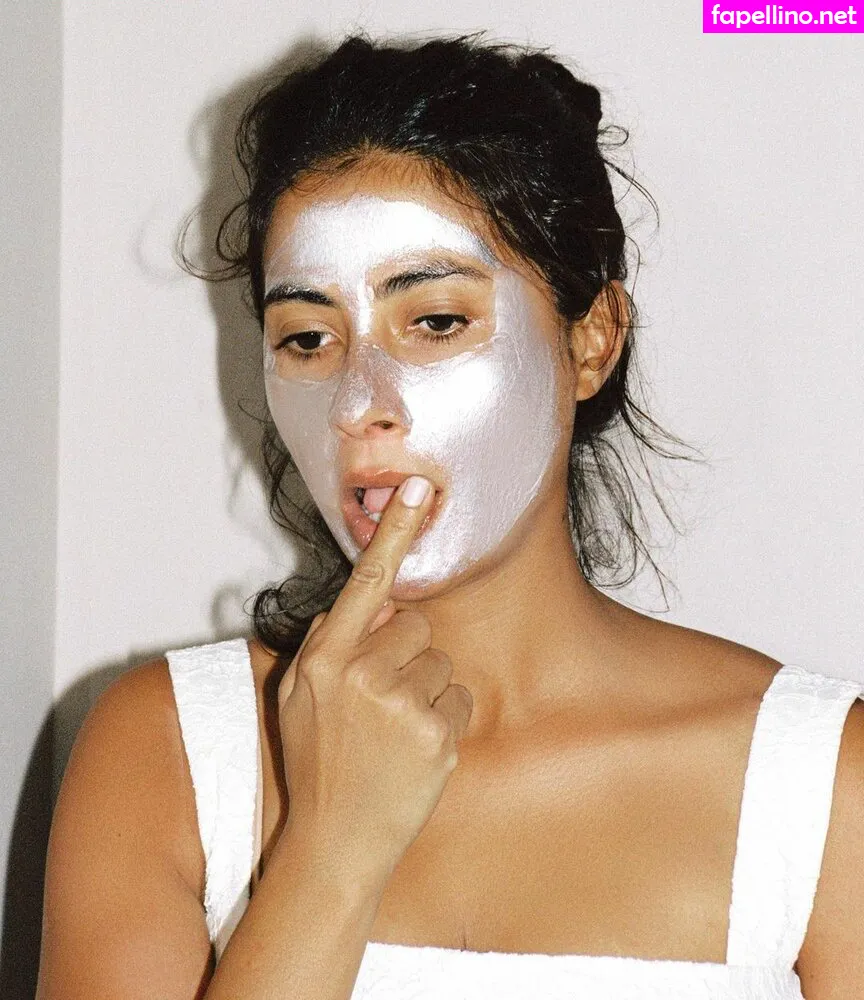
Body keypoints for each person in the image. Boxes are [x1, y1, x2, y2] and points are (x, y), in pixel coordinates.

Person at [36, 32, 864, 1000]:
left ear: (591, 342)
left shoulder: (820, 787)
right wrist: (332, 849)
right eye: (307, 337)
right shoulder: (165, 752)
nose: (357, 405)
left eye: (435, 321)